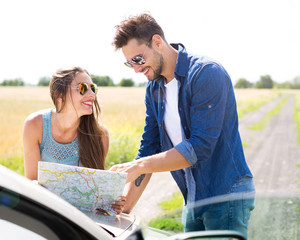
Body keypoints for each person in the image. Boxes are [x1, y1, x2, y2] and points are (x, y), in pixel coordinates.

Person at [109, 13, 255, 237]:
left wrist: (139, 166)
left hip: (227, 196)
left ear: (157, 42)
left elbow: (200, 147)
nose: (136, 69)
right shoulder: (154, 89)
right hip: (192, 198)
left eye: (138, 59)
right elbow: (149, 147)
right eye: (130, 63)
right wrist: (122, 210)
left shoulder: (207, 73)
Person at [23, 66, 125, 214]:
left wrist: (110, 204)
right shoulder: (34, 125)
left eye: (93, 88)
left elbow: (96, 197)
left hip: (81, 220)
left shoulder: (100, 134)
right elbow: (31, 184)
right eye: (83, 88)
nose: (92, 95)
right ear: (60, 95)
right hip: (44, 212)